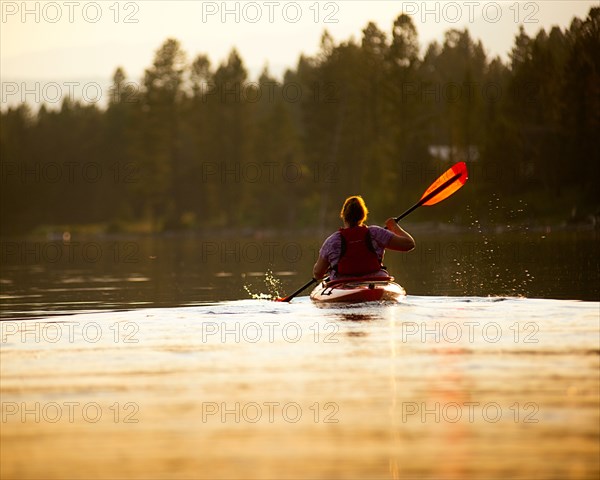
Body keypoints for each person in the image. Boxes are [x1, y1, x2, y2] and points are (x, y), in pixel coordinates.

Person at [313, 195, 415, 281]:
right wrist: (394, 227)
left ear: (343, 215)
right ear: (363, 215)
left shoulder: (332, 241)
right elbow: (409, 244)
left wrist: (329, 269)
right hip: (375, 282)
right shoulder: (376, 233)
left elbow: (318, 274)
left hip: (342, 284)